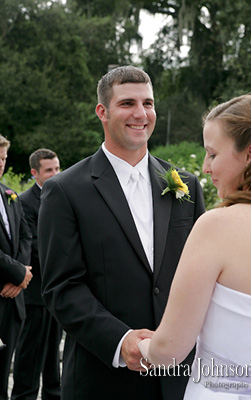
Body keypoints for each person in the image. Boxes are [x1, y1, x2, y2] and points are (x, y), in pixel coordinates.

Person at [38, 65, 205, 400]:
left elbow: (201, 271)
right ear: (103, 111)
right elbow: (62, 287)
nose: (141, 114)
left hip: (180, 376)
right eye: (127, 103)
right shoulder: (65, 190)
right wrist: (120, 340)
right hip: (103, 378)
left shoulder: (184, 185)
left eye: (148, 103)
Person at [138, 94, 251, 399]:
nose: (206, 168)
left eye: (212, 154)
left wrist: (143, 344)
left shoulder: (218, 226)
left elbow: (169, 351)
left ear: (250, 154)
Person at [11, 149, 62, 400]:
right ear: (35, 173)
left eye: (57, 168)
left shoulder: (64, 196)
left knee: (54, 354)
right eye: (49, 170)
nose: (55, 174)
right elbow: (32, 246)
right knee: (30, 354)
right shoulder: (25, 201)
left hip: (58, 291)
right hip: (35, 290)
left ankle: (54, 395)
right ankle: (24, 396)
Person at [0, 134, 32, 400]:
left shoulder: (9, 195)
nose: (0, 164)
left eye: (3, 159)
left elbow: (25, 235)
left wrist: (20, 276)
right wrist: (19, 273)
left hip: (12, 301)